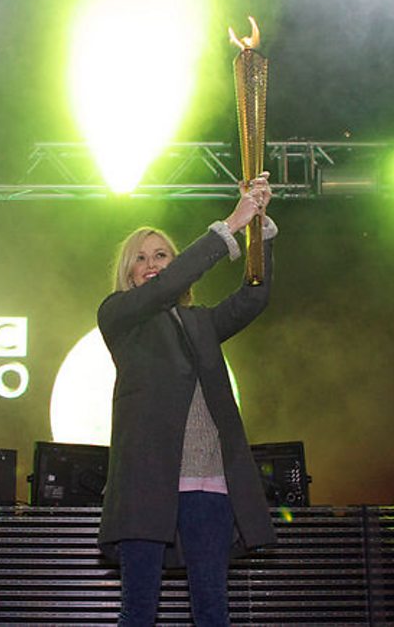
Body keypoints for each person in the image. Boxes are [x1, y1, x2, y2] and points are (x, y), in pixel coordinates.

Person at [97, 175, 277, 626]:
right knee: (138, 613)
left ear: (175, 262)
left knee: (213, 610)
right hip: (146, 485)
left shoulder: (200, 323)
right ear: (128, 271)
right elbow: (163, 289)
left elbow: (254, 297)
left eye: (161, 255)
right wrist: (229, 226)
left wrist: (258, 230)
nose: (151, 264)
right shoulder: (119, 315)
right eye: (140, 258)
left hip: (207, 484)